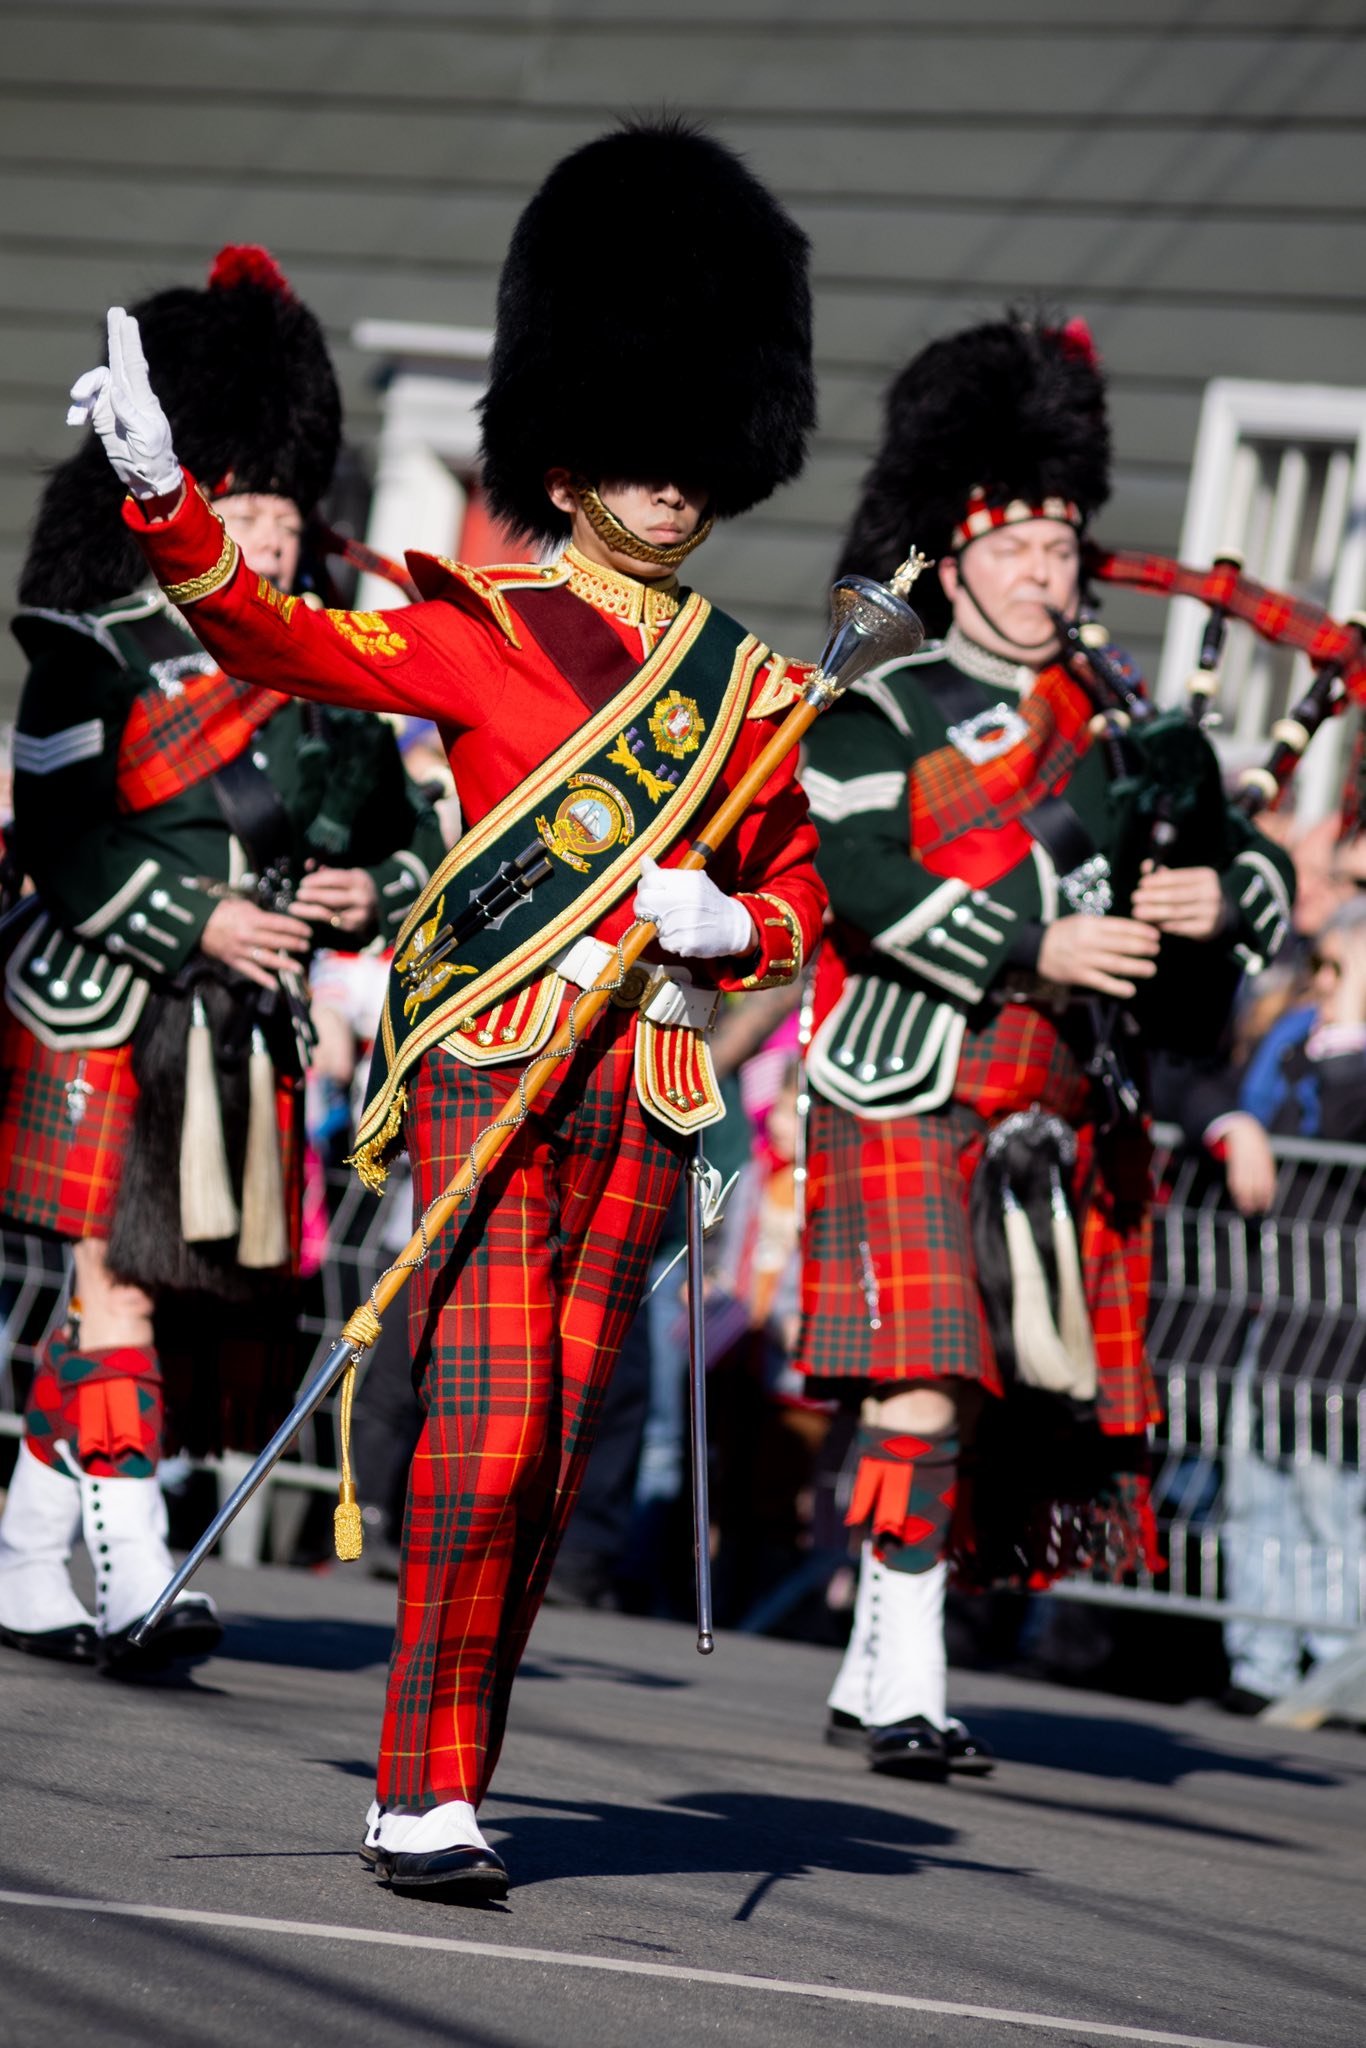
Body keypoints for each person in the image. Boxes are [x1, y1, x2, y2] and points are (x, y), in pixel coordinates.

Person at [72, 120, 826, 1900]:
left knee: (558, 1433)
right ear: (569, 462)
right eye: (642, 459)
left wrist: (730, 917)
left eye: (694, 463)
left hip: (640, 1083)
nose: (671, 493)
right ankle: (420, 1790)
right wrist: (166, 500)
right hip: (500, 1063)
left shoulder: (756, 688)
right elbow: (275, 641)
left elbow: (800, 901)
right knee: (483, 1429)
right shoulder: (479, 624)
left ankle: (455, 1765)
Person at [796, 314, 1297, 1779]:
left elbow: (1240, 868)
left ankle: (877, 1664)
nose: (1044, 574)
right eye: (1014, 547)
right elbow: (867, 884)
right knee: (927, 1374)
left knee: (1003, 1401)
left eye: (1062, 549)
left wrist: (1213, 898)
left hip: (1058, 1102)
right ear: (950, 559)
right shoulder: (871, 710)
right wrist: (1036, 939)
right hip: (907, 1079)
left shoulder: (1123, 722)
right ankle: (903, 1687)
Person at [0, 247, 445, 1676]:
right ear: (177, 503)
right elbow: (58, 845)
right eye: (235, 505)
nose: (259, 536)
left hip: (239, 1036)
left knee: (146, 1308)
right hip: (95, 1005)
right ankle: (138, 1578)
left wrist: (354, 892)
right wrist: (193, 917)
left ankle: (23, 1561)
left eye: (277, 509)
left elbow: (412, 849)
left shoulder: (337, 683)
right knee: (117, 1291)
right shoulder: (86, 652)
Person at [1183, 897, 1366, 1712]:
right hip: (1269, 1297)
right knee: (1256, 1482)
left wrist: (1350, 1031)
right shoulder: (1298, 1042)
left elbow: (1339, 1127)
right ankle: (1260, 1665)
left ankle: (1337, 1670)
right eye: (1320, 969)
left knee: (1330, 1494)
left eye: (1336, 971)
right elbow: (1223, 1088)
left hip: (1342, 1310)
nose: (1319, 986)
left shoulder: (1344, 1056)